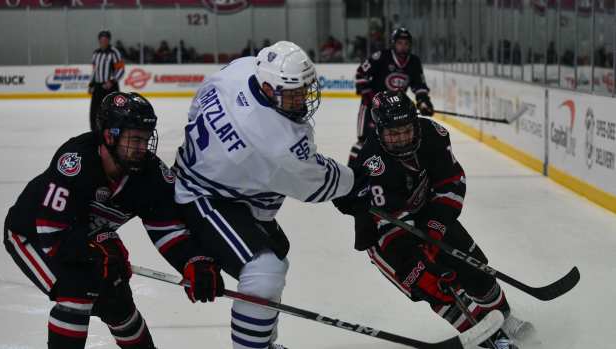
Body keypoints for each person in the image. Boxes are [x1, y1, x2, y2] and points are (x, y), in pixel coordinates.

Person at [173, 41, 365, 349]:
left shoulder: (241, 69)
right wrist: (357, 182)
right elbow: (316, 183)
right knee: (264, 271)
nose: (302, 98)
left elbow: (198, 103)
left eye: (304, 89)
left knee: (277, 253)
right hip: (202, 195)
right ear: (266, 87)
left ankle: (261, 342)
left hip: (214, 180)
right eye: (292, 94)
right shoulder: (279, 143)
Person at [3, 92, 223, 349]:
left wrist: (193, 260)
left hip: (84, 239)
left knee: (118, 303)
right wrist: (96, 251)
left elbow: (166, 229)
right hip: (32, 235)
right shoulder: (75, 161)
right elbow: (52, 232)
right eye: (135, 139)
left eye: (146, 139)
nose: (143, 148)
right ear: (110, 136)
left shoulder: (149, 175)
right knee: (77, 290)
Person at [334, 91, 535, 349]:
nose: (401, 138)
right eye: (392, 134)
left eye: (406, 129)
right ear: (378, 130)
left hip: (428, 213)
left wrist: (435, 226)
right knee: (437, 286)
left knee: (476, 270)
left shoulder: (433, 134)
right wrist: (420, 253)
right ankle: (494, 341)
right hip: (388, 239)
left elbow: (451, 181)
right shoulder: (372, 163)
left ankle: (506, 319)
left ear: (416, 123)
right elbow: (388, 226)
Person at [353, 27, 434, 146]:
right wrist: (371, 98)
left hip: (395, 108)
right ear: (393, 43)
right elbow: (360, 74)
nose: (403, 46)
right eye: (400, 43)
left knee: (394, 143)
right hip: (372, 107)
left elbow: (419, 86)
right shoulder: (381, 57)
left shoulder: (414, 62)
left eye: (406, 43)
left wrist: (423, 102)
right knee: (364, 142)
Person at [89, 30, 125, 132]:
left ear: (108, 40)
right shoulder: (96, 53)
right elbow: (94, 70)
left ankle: (114, 132)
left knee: (113, 111)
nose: (103, 41)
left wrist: (112, 81)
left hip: (111, 87)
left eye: (105, 39)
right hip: (98, 87)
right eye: (101, 39)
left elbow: (121, 69)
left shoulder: (114, 52)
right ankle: (95, 132)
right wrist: (91, 84)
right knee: (95, 112)